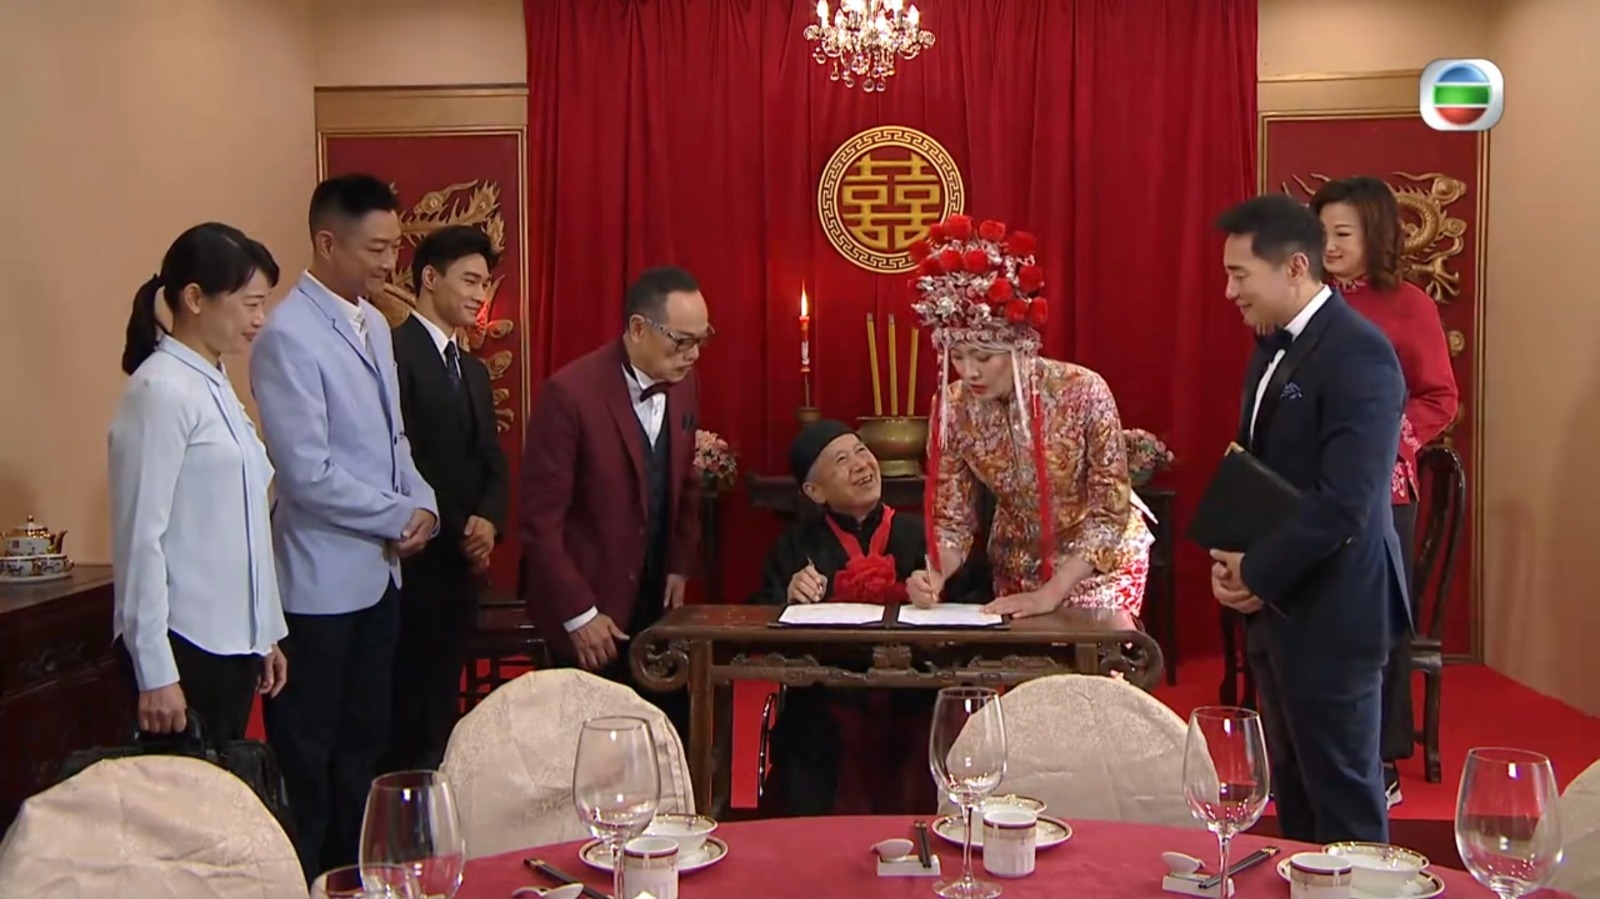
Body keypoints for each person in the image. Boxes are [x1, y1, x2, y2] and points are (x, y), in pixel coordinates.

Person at [250, 174, 439, 878]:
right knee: (312, 754)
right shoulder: (287, 334)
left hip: (380, 574)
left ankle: (356, 877)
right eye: (376, 248)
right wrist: (397, 514)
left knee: (366, 744)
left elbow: (394, 442)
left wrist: (425, 504)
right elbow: (307, 472)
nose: (391, 262)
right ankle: (308, 878)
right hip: (320, 584)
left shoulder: (376, 326)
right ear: (327, 243)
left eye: (395, 246)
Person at [1206, 193, 1409, 844]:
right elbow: (1255, 467)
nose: (1230, 291)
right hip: (1277, 607)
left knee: (1343, 798)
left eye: (1240, 274)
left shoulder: (1360, 353)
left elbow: (1347, 498)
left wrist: (1258, 570)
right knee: (1293, 796)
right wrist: (1231, 558)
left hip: (1336, 608)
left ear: (1295, 267)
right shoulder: (1269, 346)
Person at [904, 214, 1154, 620]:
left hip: (1098, 562)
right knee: (1023, 661)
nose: (969, 372)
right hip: (1017, 562)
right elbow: (952, 519)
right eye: (958, 357)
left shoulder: (1082, 390)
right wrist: (934, 573)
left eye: (983, 357)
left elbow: (1110, 511)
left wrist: (1051, 593)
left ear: (1018, 347)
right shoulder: (952, 407)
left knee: (1086, 658)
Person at [1310, 176, 1459, 808]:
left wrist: (1381, 437)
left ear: (1376, 235)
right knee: (1311, 614)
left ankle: (1381, 756)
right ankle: (1314, 749)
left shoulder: (1409, 305)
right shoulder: (1307, 300)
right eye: (1321, 233)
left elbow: (1440, 396)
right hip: (1311, 483)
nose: (1330, 245)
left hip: (1382, 489)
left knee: (1379, 621)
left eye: (1343, 233)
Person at [108, 223, 289, 744]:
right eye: (250, 304)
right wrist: (155, 670)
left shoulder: (213, 382)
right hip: (184, 642)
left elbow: (246, 522)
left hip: (231, 642)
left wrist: (265, 632)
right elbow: (141, 538)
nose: (260, 319)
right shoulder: (161, 390)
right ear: (194, 299)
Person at [520, 266, 709, 738]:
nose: (693, 354)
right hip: (591, 607)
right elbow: (540, 523)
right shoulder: (569, 395)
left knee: (664, 737)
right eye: (682, 341)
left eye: (702, 339)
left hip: (656, 604)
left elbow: (685, 481)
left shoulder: (684, 384)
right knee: (591, 748)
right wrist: (580, 614)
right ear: (638, 328)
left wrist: (679, 566)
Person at [750, 420, 941, 816]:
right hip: (826, 704)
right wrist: (788, 597)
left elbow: (975, 600)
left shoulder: (923, 536)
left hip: (913, 698)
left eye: (861, 452)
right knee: (807, 733)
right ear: (814, 491)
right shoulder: (795, 545)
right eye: (841, 461)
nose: (860, 465)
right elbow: (756, 617)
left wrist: (937, 593)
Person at [384, 225, 510, 772]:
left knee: (443, 700)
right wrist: (461, 528)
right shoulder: (395, 353)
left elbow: (492, 460)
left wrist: (490, 519)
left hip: (463, 565)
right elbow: (407, 456)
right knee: (409, 705)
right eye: (470, 280)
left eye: (485, 283)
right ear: (430, 278)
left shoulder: (473, 370)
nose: (480, 295)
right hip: (419, 559)